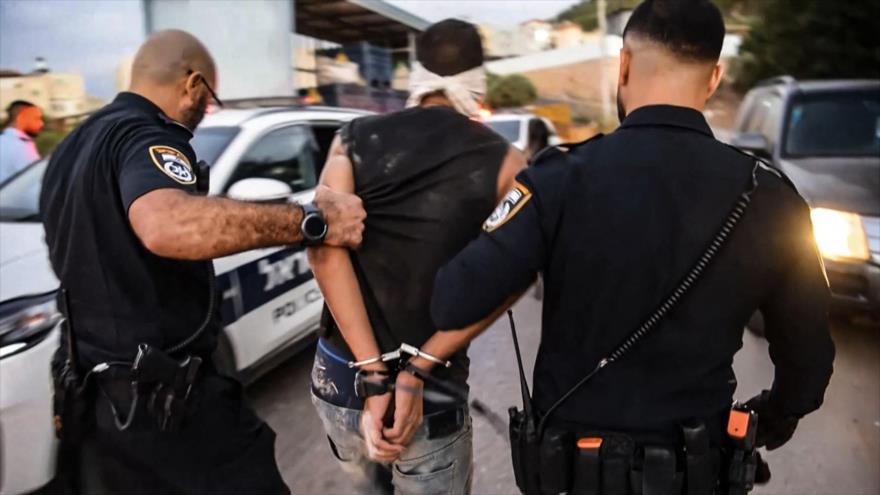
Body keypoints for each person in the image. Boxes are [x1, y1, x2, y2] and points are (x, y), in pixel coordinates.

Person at [429, 1, 835, 493]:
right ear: (713, 78)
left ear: (622, 64)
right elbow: (809, 362)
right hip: (697, 472)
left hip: (570, 473)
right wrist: (771, 417)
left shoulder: (557, 178)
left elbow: (453, 301)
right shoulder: (773, 198)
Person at [40, 30, 365, 494]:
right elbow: (170, 224)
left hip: (94, 404)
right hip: (163, 410)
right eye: (208, 97)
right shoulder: (144, 135)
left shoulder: (73, 145)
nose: (205, 109)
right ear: (192, 83)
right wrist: (313, 222)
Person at [306, 19, 525, 495]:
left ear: (417, 72)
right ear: (479, 77)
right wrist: (415, 370)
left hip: (340, 376)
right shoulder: (506, 162)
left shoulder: (352, 139)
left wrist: (371, 374)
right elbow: (515, 273)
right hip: (429, 392)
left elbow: (324, 252)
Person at [0, 100, 43, 182]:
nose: (41, 124)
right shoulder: (20, 146)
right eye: (36, 119)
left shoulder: (5, 140)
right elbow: (33, 185)